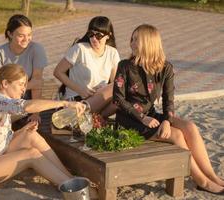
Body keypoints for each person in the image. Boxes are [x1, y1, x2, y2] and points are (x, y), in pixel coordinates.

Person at [113, 24, 224, 194]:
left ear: (149, 43)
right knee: (177, 135)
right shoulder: (125, 66)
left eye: (136, 40)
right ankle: (202, 181)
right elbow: (118, 100)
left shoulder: (166, 68)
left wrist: (166, 120)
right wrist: (142, 118)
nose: (131, 43)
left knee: (190, 127)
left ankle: (213, 177)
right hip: (129, 120)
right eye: (132, 39)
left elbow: (168, 101)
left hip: (152, 116)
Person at [0, 64, 85, 189]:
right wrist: (65, 103)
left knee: (31, 135)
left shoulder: (3, 103)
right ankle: (73, 187)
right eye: (20, 84)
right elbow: (27, 106)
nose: (24, 88)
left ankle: (70, 178)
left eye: (25, 84)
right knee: (32, 155)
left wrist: (22, 131)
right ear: (5, 84)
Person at [54, 16, 120, 118]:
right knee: (116, 88)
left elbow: (114, 82)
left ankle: (94, 120)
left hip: (97, 99)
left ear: (108, 35)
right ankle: (86, 117)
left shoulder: (113, 53)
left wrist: (102, 90)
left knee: (120, 97)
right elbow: (58, 72)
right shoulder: (80, 49)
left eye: (98, 35)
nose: (94, 38)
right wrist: (81, 90)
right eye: (91, 34)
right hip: (77, 99)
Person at [0, 14, 47, 123]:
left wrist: (36, 114)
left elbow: (37, 82)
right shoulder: (0, 52)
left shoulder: (37, 49)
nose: (26, 39)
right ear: (10, 34)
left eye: (29, 34)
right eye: (21, 35)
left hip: (26, 98)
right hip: (6, 99)